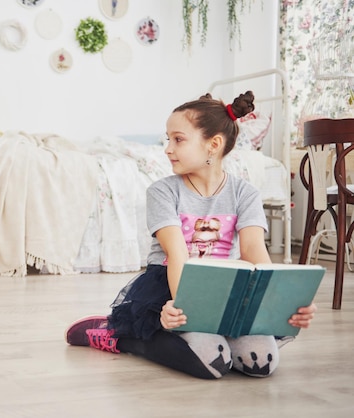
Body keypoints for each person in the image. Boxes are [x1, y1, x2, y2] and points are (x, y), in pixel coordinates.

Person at [65, 91, 317, 379]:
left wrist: (282, 302)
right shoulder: (163, 191)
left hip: (226, 286)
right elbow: (176, 254)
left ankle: (215, 336)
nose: (167, 148)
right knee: (213, 364)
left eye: (178, 139)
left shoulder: (245, 193)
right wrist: (181, 305)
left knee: (262, 363)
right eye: (168, 138)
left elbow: (254, 253)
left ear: (214, 145)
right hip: (173, 283)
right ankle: (121, 337)